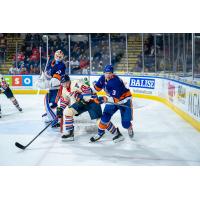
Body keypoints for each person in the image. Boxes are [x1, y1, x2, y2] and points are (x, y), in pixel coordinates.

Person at [56, 75, 120, 142]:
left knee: (100, 121)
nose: (65, 85)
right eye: (63, 83)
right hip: (80, 103)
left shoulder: (76, 83)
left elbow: (88, 90)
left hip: (91, 101)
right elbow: (64, 100)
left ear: (69, 81)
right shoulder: (64, 90)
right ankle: (70, 133)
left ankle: (116, 133)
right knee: (68, 112)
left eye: (66, 82)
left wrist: (83, 95)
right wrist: (60, 108)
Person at [90, 64, 134, 142]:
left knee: (125, 124)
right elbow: (96, 89)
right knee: (105, 117)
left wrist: (103, 99)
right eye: (106, 73)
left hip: (124, 101)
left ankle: (129, 127)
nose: (108, 74)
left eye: (110, 73)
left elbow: (116, 99)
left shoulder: (115, 82)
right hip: (112, 99)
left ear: (112, 73)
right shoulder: (102, 78)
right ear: (104, 73)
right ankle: (100, 133)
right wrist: (91, 93)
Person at [43, 50, 66, 127]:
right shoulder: (51, 62)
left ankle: (55, 119)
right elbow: (47, 72)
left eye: (60, 56)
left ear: (62, 57)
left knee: (53, 103)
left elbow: (54, 74)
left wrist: (50, 71)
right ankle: (51, 117)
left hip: (57, 87)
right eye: (57, 56)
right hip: (50, 86)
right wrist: (45, 73)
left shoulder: (62, 65)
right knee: (48, 102)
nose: (58, 57)